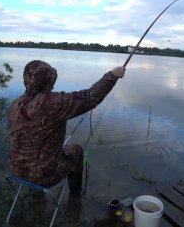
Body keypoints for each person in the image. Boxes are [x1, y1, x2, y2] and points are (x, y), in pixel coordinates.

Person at [7, 60, 125, 196]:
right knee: (77, 152)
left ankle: (36, 197)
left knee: (42, 155)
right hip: (43, 175)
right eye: (51, 82)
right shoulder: (54, 103)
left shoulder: (13, 106)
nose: (52, 86)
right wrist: (112, 75)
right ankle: (75, 197)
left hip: (16, 168)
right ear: (47, 81)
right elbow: (89, 97)